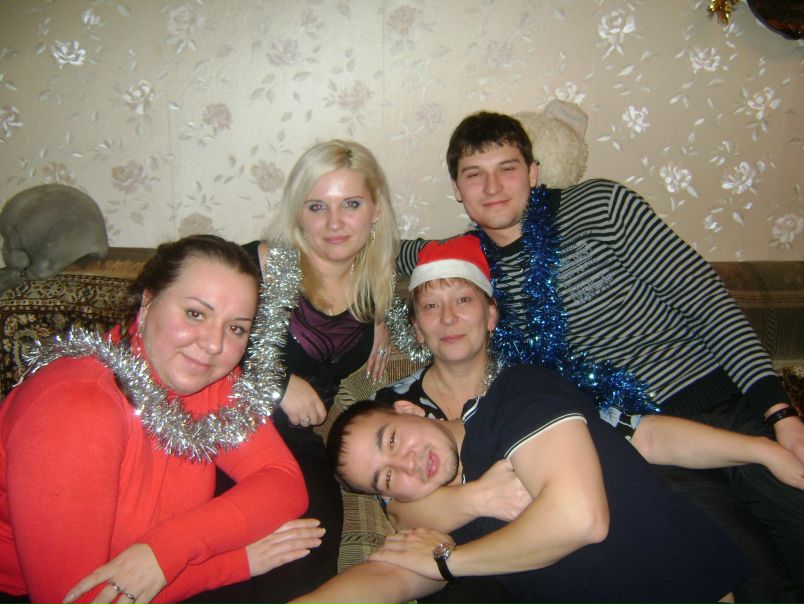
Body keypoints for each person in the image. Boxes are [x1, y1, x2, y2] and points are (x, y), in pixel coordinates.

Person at [393, 111, 804, 602]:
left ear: (534, 173)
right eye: (474, 174)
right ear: (457, 190)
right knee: (751, 580)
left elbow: (707, 301)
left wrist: (779, 412)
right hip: (642, 450)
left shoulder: (598, 206)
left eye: (508, 168)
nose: (493, 187)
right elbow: (378, 256)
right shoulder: (468, 265)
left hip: (722, 404)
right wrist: (377, 315)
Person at [297, 237, 755, 603]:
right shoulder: (397, 415)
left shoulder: (523, 385)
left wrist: (763, 449)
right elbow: (395, 550)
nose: (448, 318)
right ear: (416, 328)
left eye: (463, 300)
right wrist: (476, 501)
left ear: (491, 314)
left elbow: (634, 435)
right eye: (431, 307)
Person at [0, 234, 320, 604]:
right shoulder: (77, 405)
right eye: (195, 314)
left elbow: (282, 481)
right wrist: (237, 562)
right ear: (147, 303)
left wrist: (169, 547)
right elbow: (78, 599)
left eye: (236, 328)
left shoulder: (209, 380)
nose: (214, 344)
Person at [197, 140, 400, 603]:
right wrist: (279, 385)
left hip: (297, 448)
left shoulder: (375, 287)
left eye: (351, 204)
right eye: (317, 206)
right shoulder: (257, 267)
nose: (334, 223)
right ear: (298, 214)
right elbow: (191, 350)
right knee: (217, 561)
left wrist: (384, 322)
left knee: (305, 563)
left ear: (375, 211)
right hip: (224, 433)